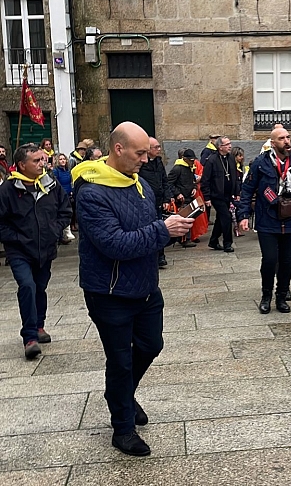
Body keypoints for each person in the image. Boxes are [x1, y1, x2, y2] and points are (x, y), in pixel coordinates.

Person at [72, 122, 194, 457]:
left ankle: (121, 395)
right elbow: (115, 244)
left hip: (145, 287)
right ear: (118, 149)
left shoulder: (138, 183)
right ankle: (122, 429)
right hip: (109, 293)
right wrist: (161, 230)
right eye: (140, 152)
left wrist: (173, 224)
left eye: (147, 151)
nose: (147, 158)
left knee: (152, 345)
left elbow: (147, 225)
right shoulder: (91, 192)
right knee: (120, 360)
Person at [238, 127, 291, 313]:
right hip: (267, 219)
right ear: (273, 143)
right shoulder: (260, 163)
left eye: (288, 137)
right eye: (281, 138)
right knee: (270, 259)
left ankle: (281, 296)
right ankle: (266, 295)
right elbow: (247, 190)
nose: (287, 141)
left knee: (286, 261)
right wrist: (243, 215)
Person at [0, 144, 72, 359]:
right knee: (27, 286)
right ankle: (29, 337)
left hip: (45, 248)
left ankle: (39, 325)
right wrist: (17, 239)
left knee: (40, 287)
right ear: (22, 165)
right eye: (36, 160)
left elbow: (65, 210)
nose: (43, 163)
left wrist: (55, 230)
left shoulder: (51, 184)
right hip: (19, 250)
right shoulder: (7, 190)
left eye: (43, 159)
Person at [138, 137, 175, 267]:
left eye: (159, 147)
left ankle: (161, 256)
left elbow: (165, 181)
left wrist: (167, 198)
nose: (159, 149)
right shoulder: (141, 164)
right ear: (148, 149)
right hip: (146, 202)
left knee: (161, 227)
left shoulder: (158, 162)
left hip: (159, 201)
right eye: (156, 147)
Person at [201, 136, 240, 253]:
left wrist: (236, 192)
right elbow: (205, 180)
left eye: (230, 143)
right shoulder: (211, 160)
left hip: (228, 194)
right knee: (227, 217)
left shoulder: (231, 159)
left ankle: (213, 241)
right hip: (216, 195)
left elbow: (235, 176)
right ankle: (228, 243)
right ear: (220, 147)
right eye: (227, 144)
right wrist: (207, 197)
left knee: (220, 218)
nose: (230, 146)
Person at [167, 148, 198, 248]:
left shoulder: (190, 168)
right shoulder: (177, 169)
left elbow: (193, 181)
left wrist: (194, 188)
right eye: (191, 160)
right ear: (184, 159)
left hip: (189, 196)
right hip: (182, 198)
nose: (193, 162)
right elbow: (169, 183)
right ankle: (185, 240)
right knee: (185, 219)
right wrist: (177, 194)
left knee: (190, 217)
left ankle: (187, 238)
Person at [53, 153, 76, 243]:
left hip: (69, 194)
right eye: (60, 159)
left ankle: (68, 231)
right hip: (60, 195)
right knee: (61, 214)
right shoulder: (56, 171)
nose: (63, 161)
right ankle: (61, 235)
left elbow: (70, 182)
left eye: (64, 159)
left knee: (69, 212)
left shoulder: (67, 170)